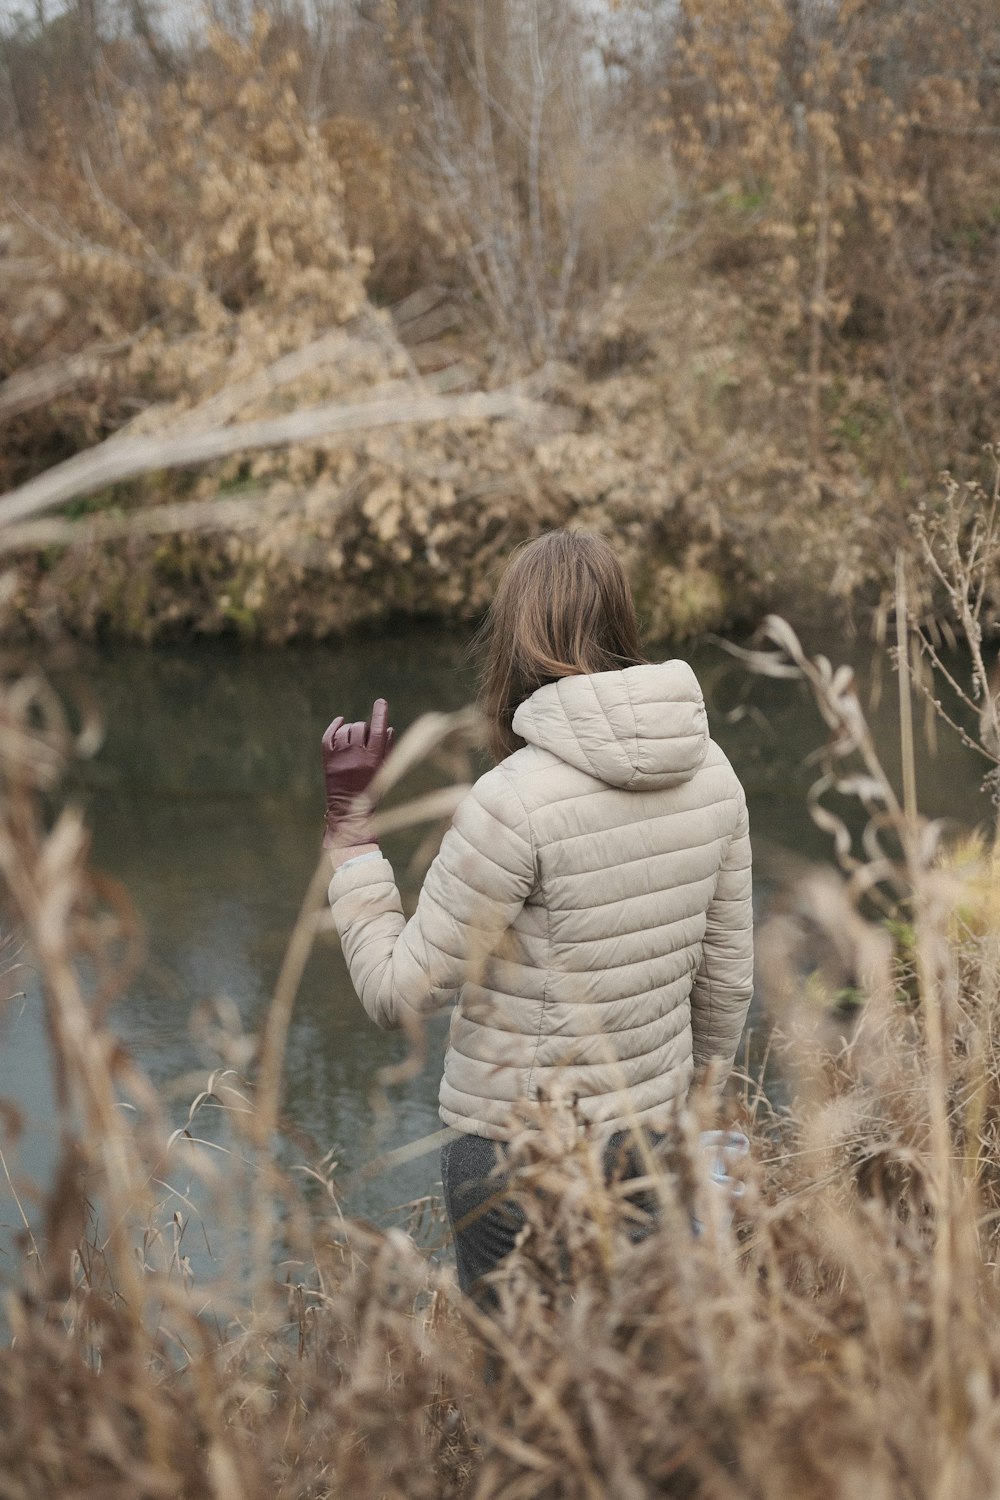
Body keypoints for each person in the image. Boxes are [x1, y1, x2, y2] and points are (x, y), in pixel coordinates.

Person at [322, 531, 753, 1297]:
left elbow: (400, 993)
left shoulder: (513, 801)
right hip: (650, 1143)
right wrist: (694, 1116)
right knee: (624, 1385)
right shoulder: (714, 774)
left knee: (525, 1398)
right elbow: (724, 989)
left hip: (517, 1158)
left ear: (516, 640)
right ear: (623, 622)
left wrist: (350, 831)